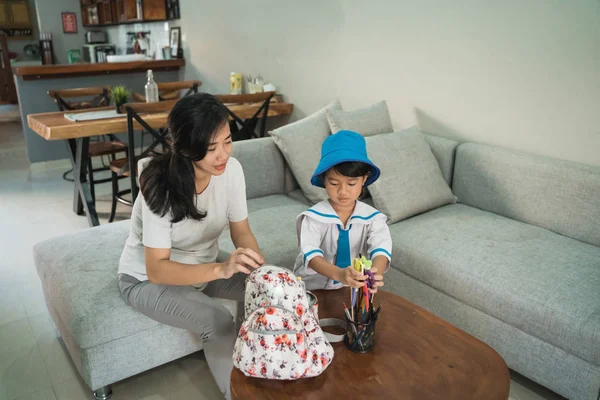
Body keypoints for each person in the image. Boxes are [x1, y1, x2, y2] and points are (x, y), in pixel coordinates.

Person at [117, 93, 264, 400]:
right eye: (211, 149)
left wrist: (259, 267)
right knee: (218, 320)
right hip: (144, 280)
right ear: (185, 149)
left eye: (227, 141)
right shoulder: (159, 183)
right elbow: (157, 269)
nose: (223, 154)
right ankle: (238, 395)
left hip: (204, 268)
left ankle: (259, 364)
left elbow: (242, 232)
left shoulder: (232, 170)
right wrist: (221, 269)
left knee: (270, 289)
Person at [293, 130, 392, 291]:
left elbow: (381, 247)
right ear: (324, 180)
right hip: (310, 287)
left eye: (351, 184)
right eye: (334, 183)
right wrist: (339, 274)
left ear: (364, 179)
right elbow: (311, 255)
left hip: (351, 288)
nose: (343, 191)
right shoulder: (312, 218)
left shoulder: (373, 218)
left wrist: (374, 274)